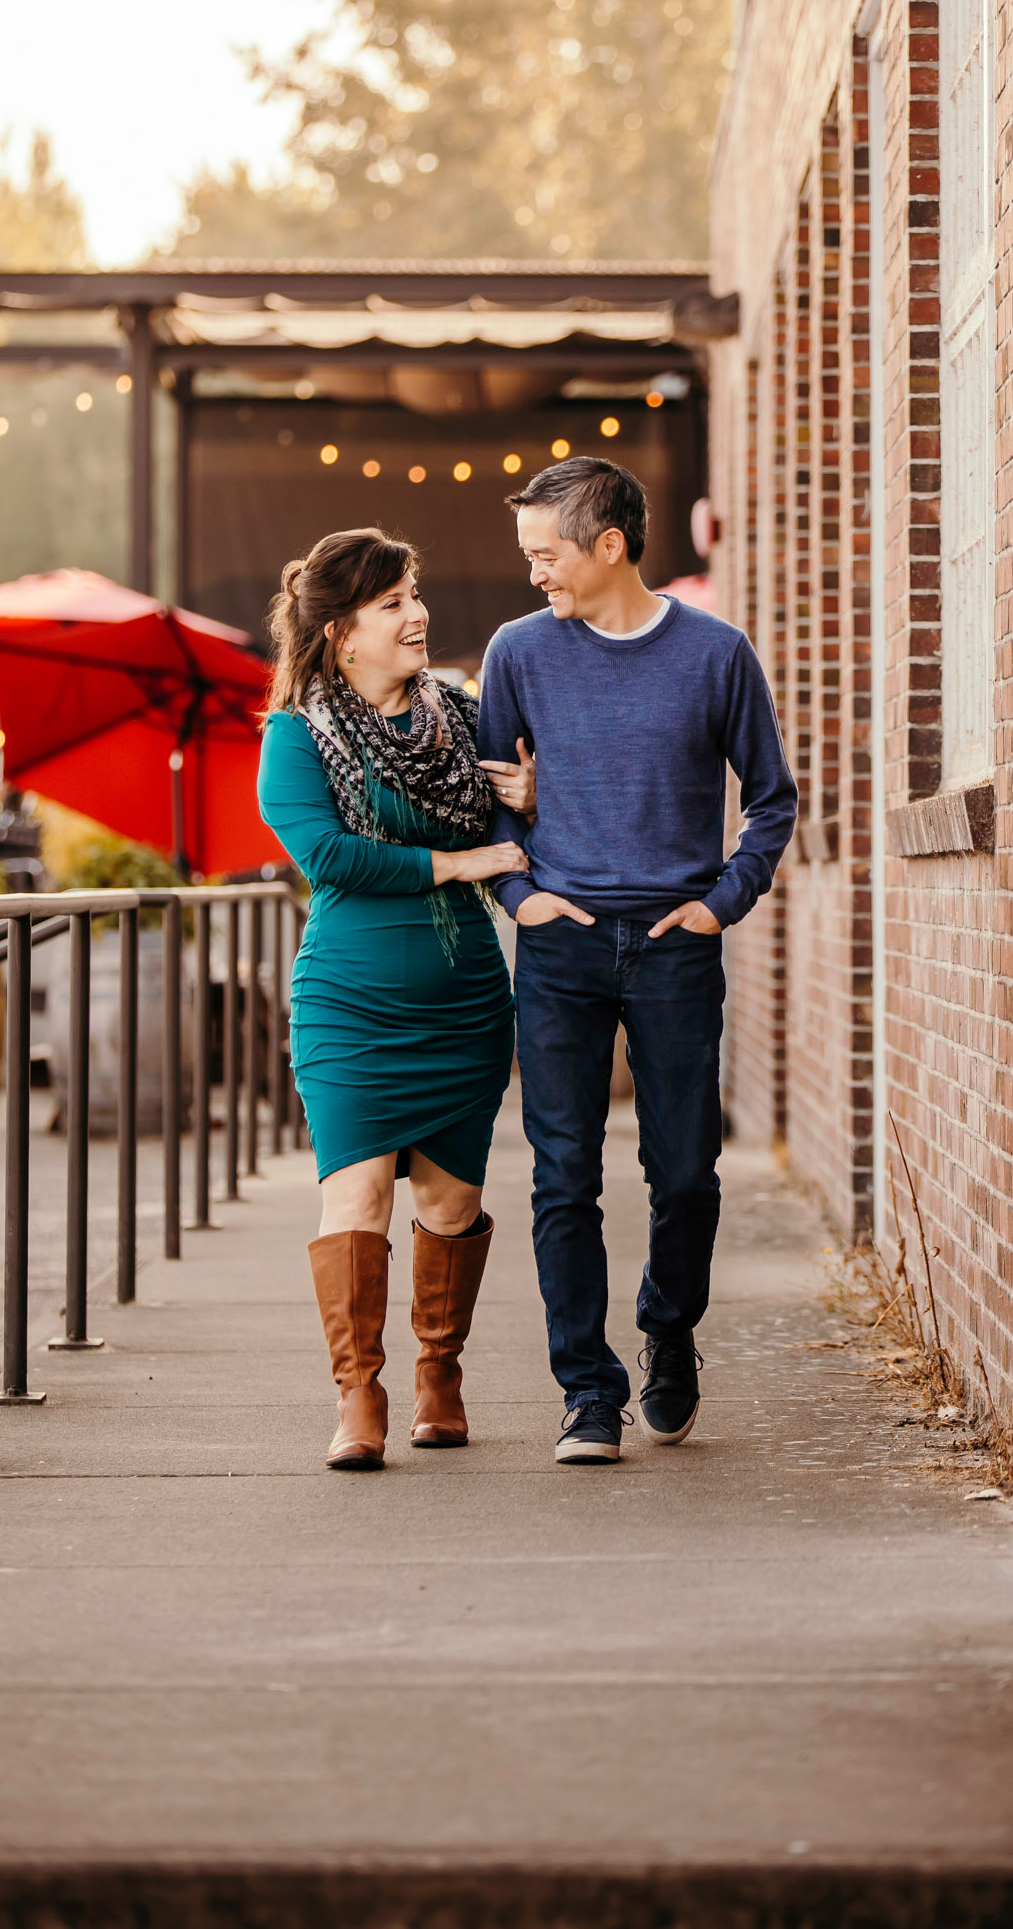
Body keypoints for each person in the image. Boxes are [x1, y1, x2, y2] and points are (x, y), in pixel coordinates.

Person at [476, 456, 797, 1465]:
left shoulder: (716, 654)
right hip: (561, 949)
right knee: (562, 1176)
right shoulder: (518, 653)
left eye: (546, 554)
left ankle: (668, 1329)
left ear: (608, 546)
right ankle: (586, 1391)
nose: (533, 574)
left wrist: (719, 905)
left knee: (685, 1172)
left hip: (673, 948)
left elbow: (772, 799)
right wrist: (522, 899)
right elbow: (488, 798)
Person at [257, 528, 535, 1471]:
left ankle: (439, 1374)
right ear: (341, 633)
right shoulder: (295, 735)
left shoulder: (458, 719)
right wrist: (460, 860)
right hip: (348, 1005)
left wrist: (529, 800)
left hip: (462, 1002)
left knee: (452, 1206)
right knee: (361, 1192)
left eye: (414, 595)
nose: (417, 616)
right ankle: (358, 1393)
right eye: (392, 605)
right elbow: (330, 856)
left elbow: (513, 824)